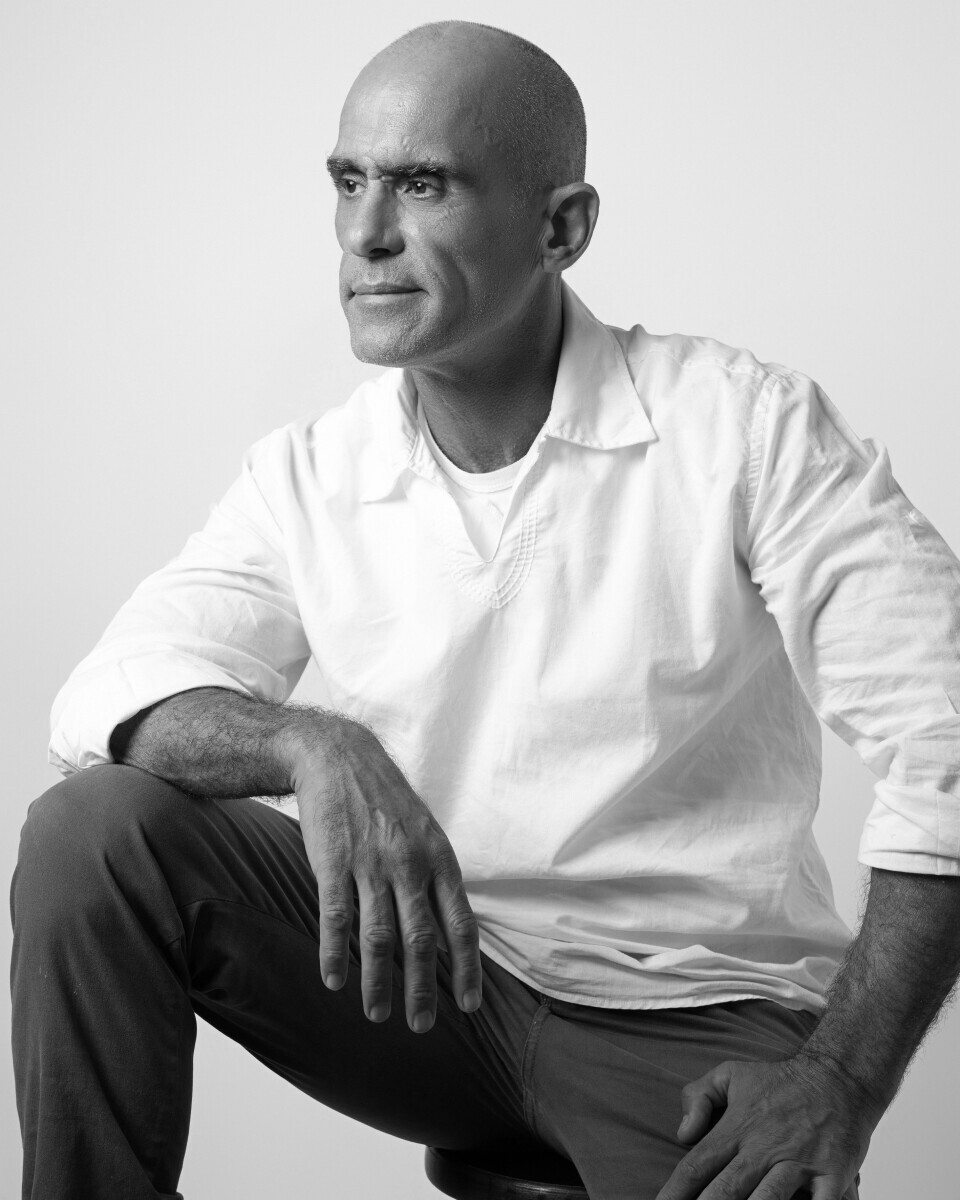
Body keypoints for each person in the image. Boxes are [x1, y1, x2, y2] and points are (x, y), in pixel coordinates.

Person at [11, 18, 960, 1200]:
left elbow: (948, 737)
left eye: (422, 184)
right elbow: (102, 699)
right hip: (428, 984)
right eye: (348, 181)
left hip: (690, 1008)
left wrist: (842, 1080)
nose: (365, 233)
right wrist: (312, 745)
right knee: (94, 835)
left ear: (561, 229)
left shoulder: (743, 431)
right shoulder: (312, 474)